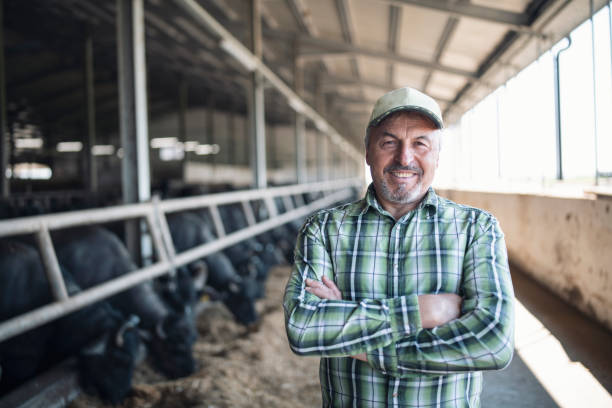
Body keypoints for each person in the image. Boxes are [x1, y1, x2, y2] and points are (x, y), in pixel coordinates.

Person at [283, 86, 515, 407]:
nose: (404, 157)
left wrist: (360, 344)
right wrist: (424, 311)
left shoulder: (477, 229)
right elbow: (303, 328)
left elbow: (494, 343)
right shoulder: (323, 229)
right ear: (367, 151)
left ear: (437, 154)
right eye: (389, 142)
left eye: (420, 143)